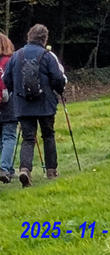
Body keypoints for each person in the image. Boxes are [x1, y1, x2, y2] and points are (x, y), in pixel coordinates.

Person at [2, 24, 67, 187]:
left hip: (23, 105)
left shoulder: (16, 56)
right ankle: (51, 171)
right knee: (48, 135)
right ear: (44, 39)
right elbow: (58, 78)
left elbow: (7, 79)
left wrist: (15, 92)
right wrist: (58, 90)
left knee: (28, 138)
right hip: (45, 104)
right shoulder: (47, 56)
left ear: (28, 37)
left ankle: (25, 169)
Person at [0, 33, 16, 183]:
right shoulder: (10, 61)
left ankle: (8, 169)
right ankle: (4, 168)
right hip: (9, 104)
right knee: (9, 137)